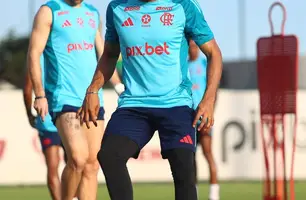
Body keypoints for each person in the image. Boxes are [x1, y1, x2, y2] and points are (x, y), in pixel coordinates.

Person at [79, 0, 222, 199]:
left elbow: (213, 52)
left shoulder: (183, 5)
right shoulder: (117, 8)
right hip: (134, 106)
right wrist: (93, 89)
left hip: (176, 104)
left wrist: (208, 100)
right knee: (110, 156)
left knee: (184, 169)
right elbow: (110, 54)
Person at [27, 0, 123, 199]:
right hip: (63, 97)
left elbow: (105, 54)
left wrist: (119, 86)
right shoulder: (49, 11)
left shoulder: (92, 13)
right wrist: (40, 94)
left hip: (92, 98)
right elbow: (34, 54)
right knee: (78, 159)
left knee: (92, 164)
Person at [23, 56, 63, 200]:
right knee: (76, 164)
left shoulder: (34, 57)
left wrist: (29, 114)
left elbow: (28, 90)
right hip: (69, 113)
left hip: (46, 118)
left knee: (53, 168)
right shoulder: (65, 47)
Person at [188, 40, 219, 200]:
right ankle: (195, 194)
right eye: (191, 47)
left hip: (203, 119)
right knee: (190, 160)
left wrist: (209, 114)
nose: (193, 50)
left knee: (208, 154)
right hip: (189, 120)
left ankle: (214, 195)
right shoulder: (184, 65)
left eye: (195, 47)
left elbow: (213, 91)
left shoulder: (205, 64)